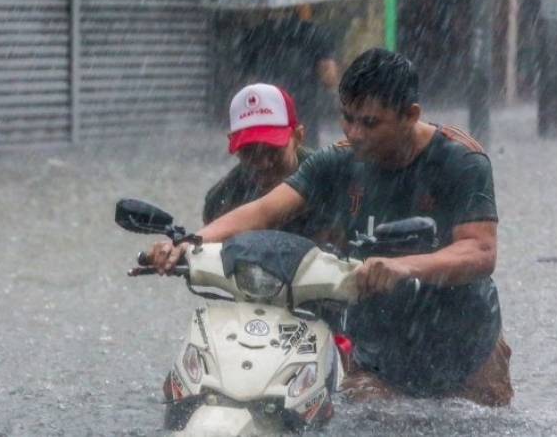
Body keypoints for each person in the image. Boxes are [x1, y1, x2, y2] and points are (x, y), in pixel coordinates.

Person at [149, 48, 513, 407]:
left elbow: (480, 251)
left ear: (410, 115)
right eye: (347, 118)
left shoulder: (461, 161)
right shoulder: (338, 162)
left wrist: (404, 266)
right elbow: (263, 210)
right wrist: (187, 243)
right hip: (377, 357)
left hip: (467, 350)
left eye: (369, 122)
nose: (354, 133)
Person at [203, 82, 327, 240]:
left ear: (297, 137)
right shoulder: (221, 199)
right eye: (250, 152)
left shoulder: (330, 181)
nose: (263, 163)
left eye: (273, 150)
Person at [240, 6, 339, 149]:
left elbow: (249, 82)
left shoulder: (254, 34)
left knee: (269, 164)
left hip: (267, 116)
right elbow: (329, 77)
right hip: (303, 116)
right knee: (303, 163)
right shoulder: (313, 32)